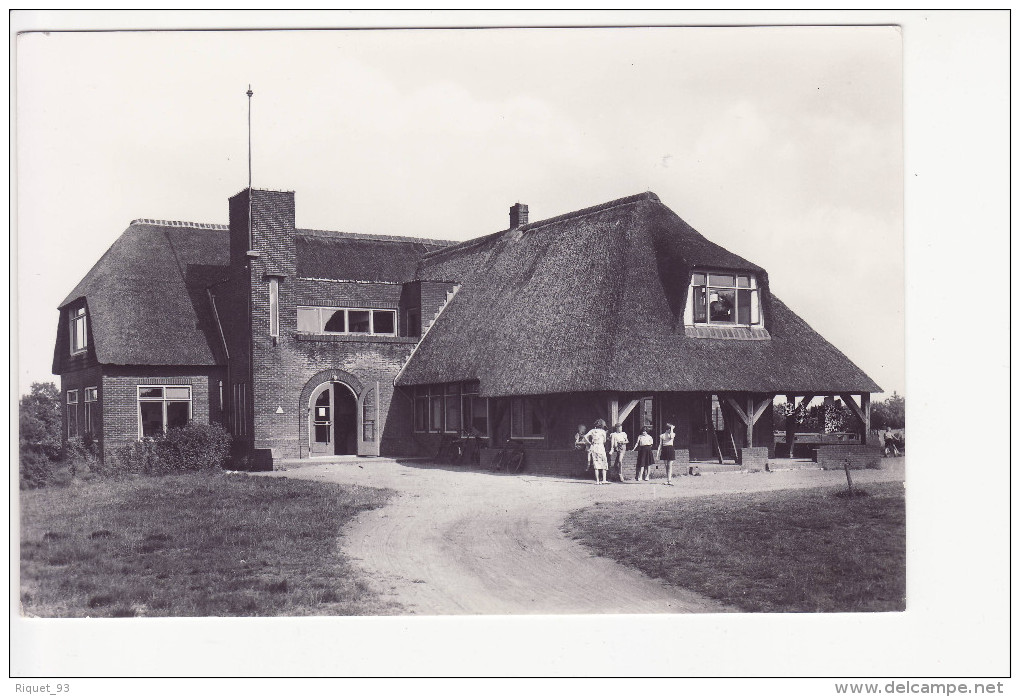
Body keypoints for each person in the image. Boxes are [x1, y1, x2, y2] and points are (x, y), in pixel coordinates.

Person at [585, 419, 610, 485]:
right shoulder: (603, 431)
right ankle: (604, 480)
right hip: (601, 447)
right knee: (604, 463)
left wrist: (590, 443)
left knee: (596, 464)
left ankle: (597, 481)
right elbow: (604, 441)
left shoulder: (592, 430)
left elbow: (585, 436)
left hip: (594, 447)